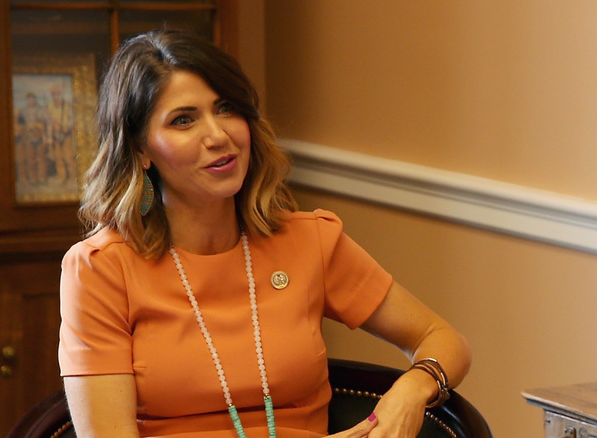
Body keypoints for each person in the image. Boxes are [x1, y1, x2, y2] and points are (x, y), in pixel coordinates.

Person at [58, 29, 471, 438]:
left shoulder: (310, 242)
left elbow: (443, 339)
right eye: (184, 120)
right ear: (141, 149)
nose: (219, 136)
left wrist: (409, 392)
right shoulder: (100, 270)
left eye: (225, 109)